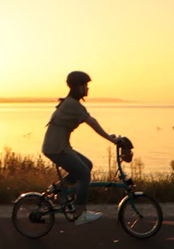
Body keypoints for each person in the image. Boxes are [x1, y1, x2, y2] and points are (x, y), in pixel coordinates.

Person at [41, 71, 120, 226]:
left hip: (59, 146)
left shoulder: (72, 103)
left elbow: (92, 121)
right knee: (84, 174)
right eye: (85, 85)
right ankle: (80, 212)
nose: (87, 89)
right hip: (56, 148)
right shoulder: (72, 104)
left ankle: (56, 190)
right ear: (78, 87)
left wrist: (110, 138)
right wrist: (112, 140)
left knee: (87, 165)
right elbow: (93, 123)